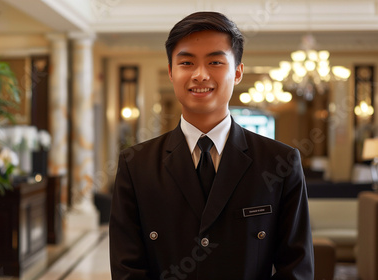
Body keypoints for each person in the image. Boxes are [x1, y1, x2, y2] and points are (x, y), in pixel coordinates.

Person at [109, 11, 314, 279]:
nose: (200, 75)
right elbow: (128, 269)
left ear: (238, 72)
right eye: (187, 63)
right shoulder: (135, 165)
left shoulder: (280, 161)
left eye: (215, 61)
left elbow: (296, 268)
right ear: (171, 72)